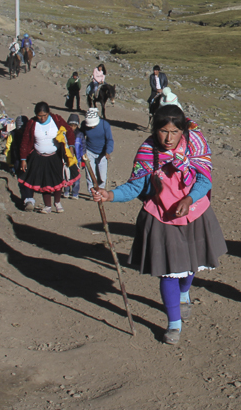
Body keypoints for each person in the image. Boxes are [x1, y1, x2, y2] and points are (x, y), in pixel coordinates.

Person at [92, 105, 226, 345]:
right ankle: (173, 323)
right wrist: (109, 195)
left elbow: (205, 180)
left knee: (190, 267)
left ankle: (185, 292)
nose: (168, 138)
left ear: (183, 131)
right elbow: (135, 187)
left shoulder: (195, 146)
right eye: (163, 131)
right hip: (161, 217)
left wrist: (189, 198)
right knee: (169, 272)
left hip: (195, 214)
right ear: (155, 129)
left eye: (174, 132)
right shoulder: (147, 153)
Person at [17, 102, 79, 214]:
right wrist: (23, 159)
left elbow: (69, 132)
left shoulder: (57, 120)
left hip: (55, 156)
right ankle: (47, 206)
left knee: (58, 180)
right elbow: (25, 142)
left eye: (44, 115)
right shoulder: (32, 123)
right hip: (39, 157)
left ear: (48, 113)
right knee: (45, 182)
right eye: (39, 116)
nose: (42, 118)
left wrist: (71, 146)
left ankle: (57, 202)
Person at [80, 107, 114, 195]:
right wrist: (82, 151)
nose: (91, 127)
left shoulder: (104, 125)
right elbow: (81, 137)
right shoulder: (84, 125)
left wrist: (108, 151)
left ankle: (101, 191)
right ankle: (92, 192)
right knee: (90, 174)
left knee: (102, 176)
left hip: (102, 153)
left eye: (93, 125)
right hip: (89, 151)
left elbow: (109, 140)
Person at [65, 114, 85, 200]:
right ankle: (66, 191)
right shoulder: (64, 133)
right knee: (66, 175)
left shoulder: (80, 134)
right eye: (71, 125)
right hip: (66, 159)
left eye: (75, 125)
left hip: (77, 159)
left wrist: (83, 160)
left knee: (76, 176)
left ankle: (75, 192)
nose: (72, 127)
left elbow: (83, 147)